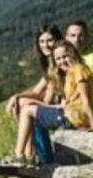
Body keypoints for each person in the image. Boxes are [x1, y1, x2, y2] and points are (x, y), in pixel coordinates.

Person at [12, 41, 93, 163]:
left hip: (73, 117)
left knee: (26, 111)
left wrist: (92, 123)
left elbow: (86, 98)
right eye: (58, 59)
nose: (62, 61)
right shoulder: (73, 72)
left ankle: (19, 155)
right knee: (33, 113)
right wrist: (36, 103)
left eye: (65, 56)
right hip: (70, 113)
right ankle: (36, 158)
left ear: (73, 53)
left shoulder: (78, 70)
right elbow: (68, 103)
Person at [5, 24, 61, 163]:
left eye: (49, 40)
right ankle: (29, 153)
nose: (45, 45)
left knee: (26, 107)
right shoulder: (50, 64)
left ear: (57, 40)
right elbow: (36, 91)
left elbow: (48, 101)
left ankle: (27, 154)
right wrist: (16, 97)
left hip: (60, 109)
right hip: (55, 108)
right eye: (42, 41)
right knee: (22, 102)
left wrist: (28, 101)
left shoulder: (59, 63)